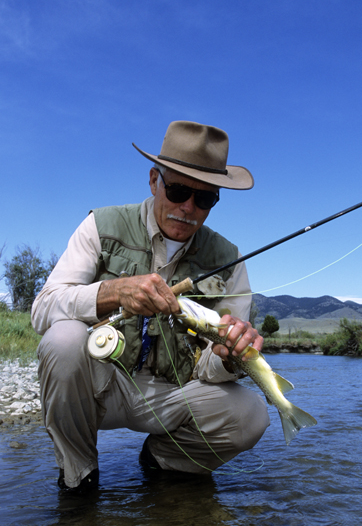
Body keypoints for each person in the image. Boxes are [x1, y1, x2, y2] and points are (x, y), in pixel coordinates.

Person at [31, 120, 270, 493]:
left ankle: (164, 460)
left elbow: (211, 372)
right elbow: (42, 308)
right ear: (154, 180)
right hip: (98, 389)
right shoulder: (101, 226)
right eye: (177, 190)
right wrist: (111, 292)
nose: (188, 208)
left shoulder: (231, 260)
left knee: (250, 415)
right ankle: (79, 475)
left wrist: (226, 357)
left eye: (204, 199)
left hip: (175, 396)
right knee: (62, 339)